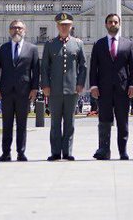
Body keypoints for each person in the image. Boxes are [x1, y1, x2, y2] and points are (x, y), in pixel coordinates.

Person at [89, 12, 133, 160]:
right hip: (103, 90)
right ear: (106, 25)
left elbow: (132, 67)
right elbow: (93, 68)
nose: (113, 24)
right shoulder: (99, 44)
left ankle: (123, 151)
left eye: (115, 22)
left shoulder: (127, 44)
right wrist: (93, 86)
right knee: (104, 121)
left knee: (123, 121)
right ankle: (104, 149)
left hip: (122, 90)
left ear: (119, 24)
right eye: (110, 22)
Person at [0, 19, 40, 162]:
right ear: (9, 31)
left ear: (24, 30)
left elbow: (35, 71)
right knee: (6, 123)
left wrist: (34, 88)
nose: (16, 30)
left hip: (24, 92)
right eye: (13, 28)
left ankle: (21, 152)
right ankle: (6, 152)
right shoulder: (2, 48)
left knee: (22, 124)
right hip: (5, 91)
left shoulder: (32, 49)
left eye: (19, 28)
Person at [41, 12, 87, 161]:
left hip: (72, 89)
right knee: (55, 122)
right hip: (54, 90)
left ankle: (67, 152)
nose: (64, 27)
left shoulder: (78, 43)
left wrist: (80, 83)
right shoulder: (50, 44)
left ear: (71, 26)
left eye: (67, 25)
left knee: (69, 122)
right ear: (57, 26)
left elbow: (83, 66)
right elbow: (44, 67)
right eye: (61, 25)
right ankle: (55, 152)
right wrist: (46, 85)